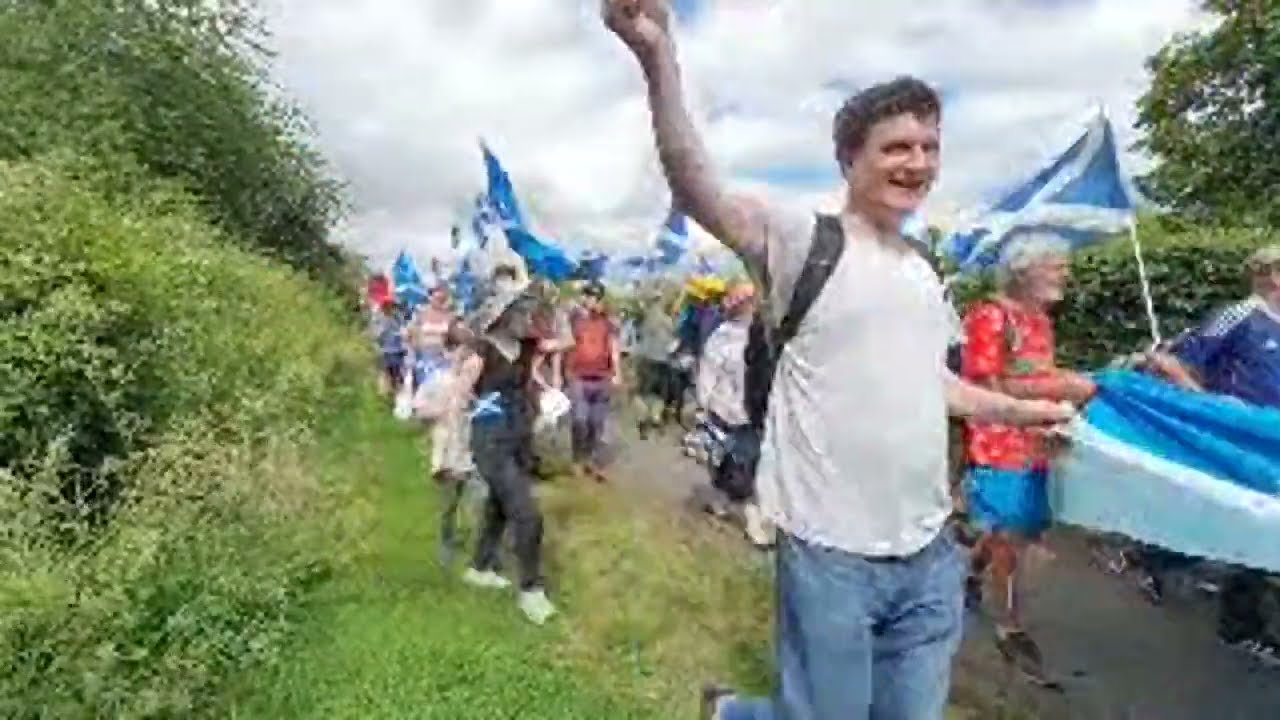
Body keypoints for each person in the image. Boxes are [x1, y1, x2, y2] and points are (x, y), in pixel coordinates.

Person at [604, 3, 1077, 717]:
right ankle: (734, 711)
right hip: (831, 554)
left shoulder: (925, 271)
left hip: (928, 552)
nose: (916, 163)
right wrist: (657, 56)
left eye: (928, 147)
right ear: (849, 159)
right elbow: (697, 186)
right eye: (895, 147)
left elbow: (935, 384)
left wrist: (1023, 409)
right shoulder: (803, 240)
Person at [958, 233, 1096, 685]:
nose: (1065, 273)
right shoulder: (990, 316)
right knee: (1014, 535)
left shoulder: (1038, 320)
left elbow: (1041, 375)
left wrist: (1070, 385)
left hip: (1037, 437)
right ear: (1023, 270)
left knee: (1015, 526)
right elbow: (985, 389)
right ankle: (1010, 626)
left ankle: (968, 573)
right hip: (999, 440)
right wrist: (1060, 390)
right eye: (1055, 265)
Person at [1138, 244, 1280, 663]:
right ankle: (1238, 625)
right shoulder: (1240, 316)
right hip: (1235, 441)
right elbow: (1171, 363)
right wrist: (1212, 406)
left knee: (1253, 525)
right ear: (1271, 274)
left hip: (1271, 441)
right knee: (1253, 523)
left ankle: (1153, 555)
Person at [454, 278, 558, 625]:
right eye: (521, 311)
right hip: (490, 439)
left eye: (528, 310)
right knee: (527, 513)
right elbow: (459, 394)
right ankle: (531, 590)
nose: (527, 316)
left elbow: (562, 346)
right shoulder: (484, 350)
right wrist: (478, 408)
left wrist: (545, 398)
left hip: (519, 435)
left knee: (499, 507)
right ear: (503, 316)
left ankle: (480, 567)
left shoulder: (526, 347)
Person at [695, 283, 770, 548]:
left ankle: (754, 521)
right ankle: (721, 501)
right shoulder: (722, 335)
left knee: (749, 464)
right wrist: (703, 403)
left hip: (755, 412)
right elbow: (709, 369)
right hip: (724, 408)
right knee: (723, 459)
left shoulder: (767, 334)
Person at [564, 281, 622, 482]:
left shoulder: (608, 321)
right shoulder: (574, 318)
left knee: (596, 423)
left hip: (602, 377)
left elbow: (614, 345)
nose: (590, 301)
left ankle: (591, 459)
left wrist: (617, 372)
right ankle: (577, 459)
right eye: (588, 296)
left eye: (594, 297)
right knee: (579, 420)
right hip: (578, 376)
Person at [632, 285, 679, 438]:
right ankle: (655, 418)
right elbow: (673, 339)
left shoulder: (643, 320)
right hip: (662, 360)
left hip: (645, 359)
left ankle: (644, 419)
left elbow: (638, 339)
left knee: (643, 392)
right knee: (659, 392)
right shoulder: (666, 320)